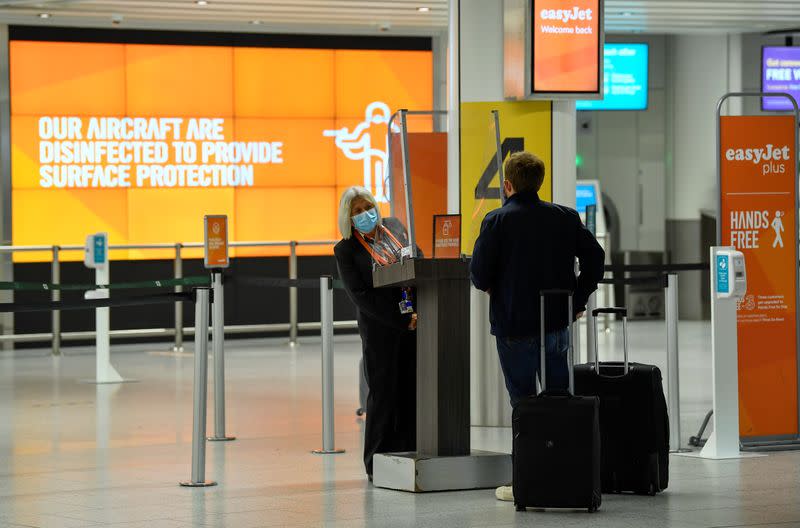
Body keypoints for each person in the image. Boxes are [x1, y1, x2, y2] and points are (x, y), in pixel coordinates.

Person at [470, 151, 605, 501]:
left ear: (507, 184)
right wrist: (578, 298)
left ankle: (526, 479)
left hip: (513, 326)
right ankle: (566, 474)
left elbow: (479, 274)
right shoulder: (564, 217)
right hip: (555, 323)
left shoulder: (496, 221)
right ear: (540, 181)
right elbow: (595, 256)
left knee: (524, 404)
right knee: (560, 400)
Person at [334, 186, 417, 481]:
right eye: (357, 211)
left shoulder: (394, 231)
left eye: (367, 207)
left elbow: (416, 261)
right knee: (382, 394)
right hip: (380, 328)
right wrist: (398, 321)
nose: (364, 214)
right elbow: (360, 295)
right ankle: (376, 460)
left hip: (412, 324)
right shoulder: (345, 249)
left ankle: (408, 450)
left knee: (409, 391)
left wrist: (414, 314)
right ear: (348, 217)